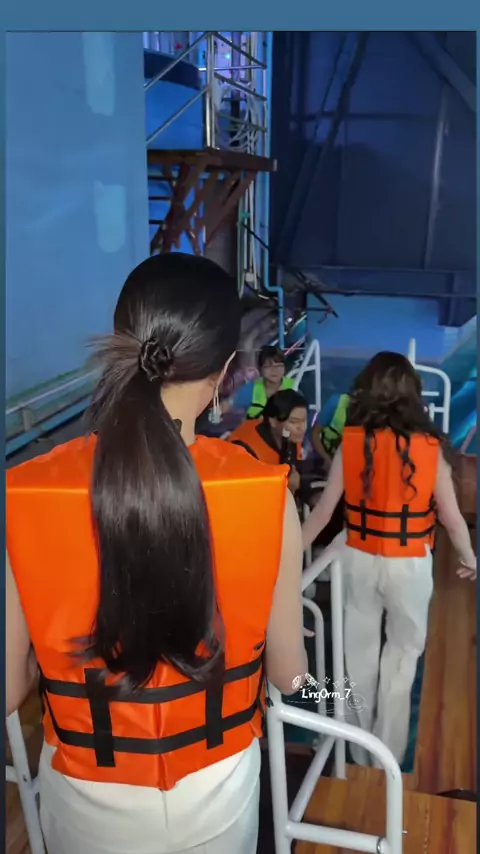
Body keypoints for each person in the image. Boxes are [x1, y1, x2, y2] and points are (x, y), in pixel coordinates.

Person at [6, 253, 308, 854]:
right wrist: (326, 683)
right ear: (225, 370)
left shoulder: (29, 493)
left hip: (86, 798)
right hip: (217, 791)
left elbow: (9, 688)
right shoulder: (266, 494)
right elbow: (290, 675)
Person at [302, 351, 476, 767]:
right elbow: (452, 519)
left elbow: (323, 513)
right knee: (401, 659)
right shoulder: (430, 448)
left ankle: (360, 755)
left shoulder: (352, 442)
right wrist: (470, 557)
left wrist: (291, 564)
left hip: (357, 560)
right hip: (409, 564)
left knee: (358, 656)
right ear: (413, 394)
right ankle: (387, 759)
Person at [228, 389, 308, 494]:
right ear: (273, 421)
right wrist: (284, 485)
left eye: (304, 420)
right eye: (294, 422)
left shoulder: (292, 437)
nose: (302, 428)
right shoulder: (245, 448)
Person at [226, 345, 295, 419]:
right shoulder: (250, 389)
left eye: (279, 365)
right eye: (268, 365)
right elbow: (226, 406)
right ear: (260, 369)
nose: (274, 370)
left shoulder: (295, 387)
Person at [310, 392, 350, 471]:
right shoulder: (336, 402)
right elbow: (315, 434)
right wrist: (327, 459)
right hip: (327, 457)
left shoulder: (371, 413)